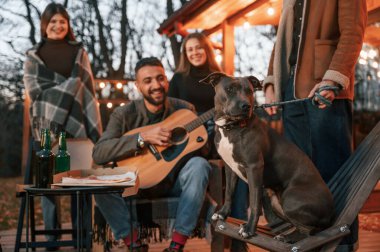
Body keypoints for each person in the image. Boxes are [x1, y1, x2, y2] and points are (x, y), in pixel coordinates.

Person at [263, 0, 367, 251]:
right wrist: (270, 82)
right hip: (291, 91)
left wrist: (333, 79)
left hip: (324, 87)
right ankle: (309, 242)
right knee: (299, 176)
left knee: (333, 172)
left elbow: (353, 32)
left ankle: (342, 245)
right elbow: (282, 40)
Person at [93, 57, 212, 252]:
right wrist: (142, 138)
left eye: (160, 78)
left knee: (200, 165)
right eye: (148, 81)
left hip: (174, 183)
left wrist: (207, 136)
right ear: (138, 86)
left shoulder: (185, 110)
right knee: (98, 179)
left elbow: (203, 151)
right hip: (135, 185)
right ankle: (134, 244)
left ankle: (176, 246)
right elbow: (99, 152)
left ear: (166, 80)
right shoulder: (123, 114)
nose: (156, 85)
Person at [23, 2, 102, 248]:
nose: (58, 26)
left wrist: (68, 90)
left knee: (80, 182)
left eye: (62, 22)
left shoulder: (78, 51)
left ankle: (83, 236)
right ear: (45, 25)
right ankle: (51, 239)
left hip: (76, 128)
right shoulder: (33, 55)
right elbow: (35, 90)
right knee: (48, 185)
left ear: (68, 25)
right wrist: (70, 88)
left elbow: (86, 88)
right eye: (53, 21)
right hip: (46, 129)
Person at [169, 32, 249, 251]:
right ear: (185, 54)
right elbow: (170, 114)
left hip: (221, 136)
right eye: (190, 49)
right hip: (192, 145)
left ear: (207, 50)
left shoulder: (222, 78)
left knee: (240, 168)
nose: (195, 52)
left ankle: (239, 238)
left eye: (199, 48)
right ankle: (215, 224)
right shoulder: (178, 79)